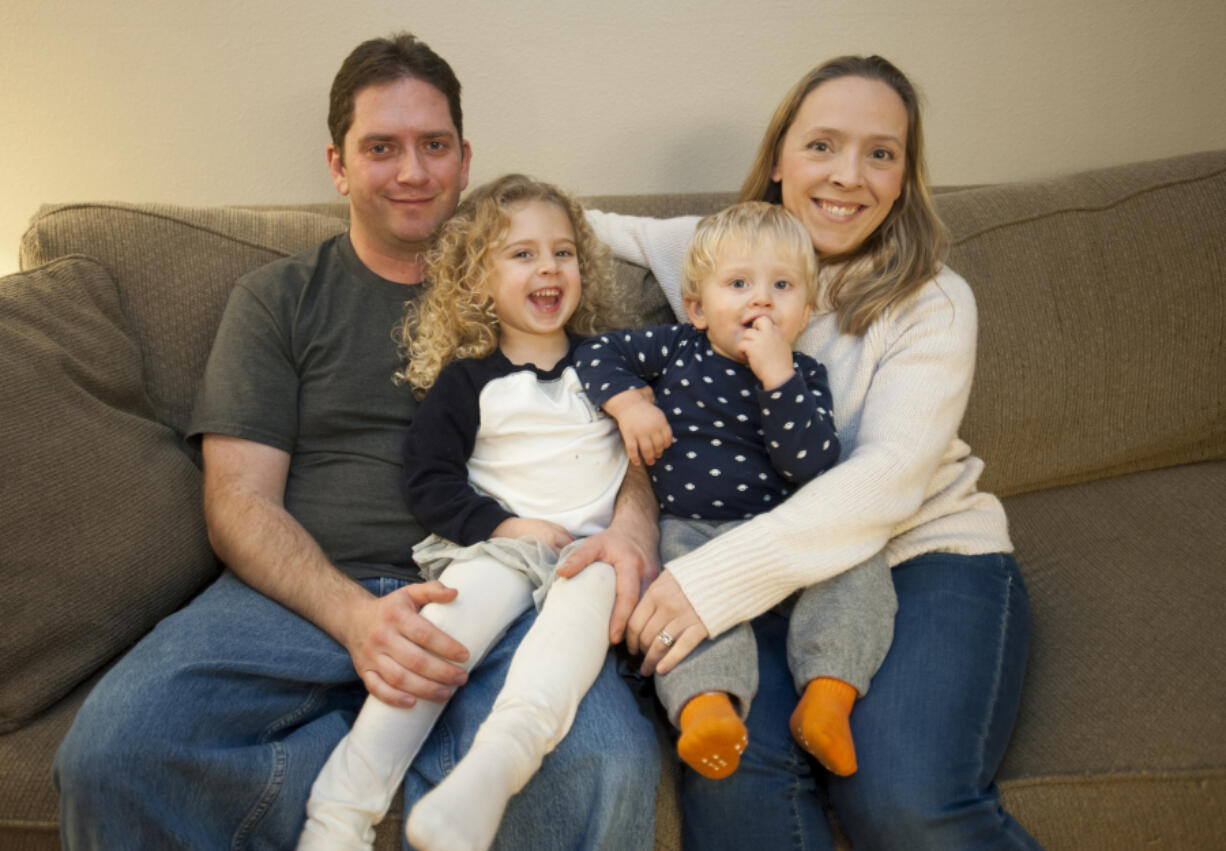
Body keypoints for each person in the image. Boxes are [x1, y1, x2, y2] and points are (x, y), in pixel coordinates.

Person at [52, 34, 659, 850]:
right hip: (307, 588)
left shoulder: (544, 280)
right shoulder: (277, 298)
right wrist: (357, 619)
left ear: (464, 158)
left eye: (433, 145)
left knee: (608, 764)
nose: (412, 170)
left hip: (511, 582)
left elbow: (617, 429)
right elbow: (237, 499)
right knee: (113, 750)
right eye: (382, 147)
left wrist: (631, 530)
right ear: (338, 165)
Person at [585, 55, 1039, 849]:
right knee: (734, 792)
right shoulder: (714, 250)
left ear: (904, 176)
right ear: (778, 161)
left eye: (881, 153)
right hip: (760, 562)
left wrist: (710, 582)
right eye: (822, 145)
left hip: (920, 554)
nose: (848, 176)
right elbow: (572, 228)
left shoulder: (932, 299)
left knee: (902, 803)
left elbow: (887, 482)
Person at [301, 173, 632, 851]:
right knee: (437, 648)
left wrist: (643, 404)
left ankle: (489, 774)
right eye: (522, 254)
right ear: (477, 280)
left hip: (590, 554)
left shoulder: (611, 363)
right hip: (495, 550)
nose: (548, 266)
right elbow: (430, 480)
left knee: (569, 649)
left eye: (563, 251)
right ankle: (338, 814)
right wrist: (508, 527)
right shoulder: (467, 379)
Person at [573, 201, 894, 781]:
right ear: (697, 308)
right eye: (739, 284)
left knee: (862, 572)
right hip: (692, 530)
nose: (761, 299)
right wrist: (627, 404)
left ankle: (829, 696)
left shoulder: (805, 376)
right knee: (680, 601)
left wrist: (778, 378)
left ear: (807, 309)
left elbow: (812, 464)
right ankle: (706, 709)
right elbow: (595, 352)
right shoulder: (677, 347)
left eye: (782, 285)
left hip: (785, 531)